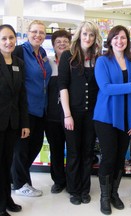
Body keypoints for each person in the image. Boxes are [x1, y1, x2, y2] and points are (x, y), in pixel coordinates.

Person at [93, 25, 131, 215]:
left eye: (123, 38)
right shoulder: (102, 61)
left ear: (127, 41)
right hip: (105, 117)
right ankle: (104, 197)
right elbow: (105, 88)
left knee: (120, 157)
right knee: (108, 157)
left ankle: (114, 193)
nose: (119, 41)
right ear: (110, 40)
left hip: (126, 117)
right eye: (115, 37)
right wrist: (130, 85)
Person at [58, 21, 102, 205]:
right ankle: (74, 190)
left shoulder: (98, 58)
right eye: (85, 34)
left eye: (91, 35)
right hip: (72, 114)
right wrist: (67, 114)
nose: (88, 38)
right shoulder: (68, 56)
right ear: (79, 35)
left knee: (87, 151)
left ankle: (85, 189)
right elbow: (63, 87)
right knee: (74, 152)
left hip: (91, 113)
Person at [11, 20, 52, 197]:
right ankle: (20, 184)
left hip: (41, 109)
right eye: (34, 31)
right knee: (21, 149)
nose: (38, 35)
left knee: (34, 147)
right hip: (25, 110)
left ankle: (17, 179)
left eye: (42, 32)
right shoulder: (20, 51)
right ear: (27, 33)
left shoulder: (42, 53)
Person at [0, 24, 30, 216]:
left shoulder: (19, 62)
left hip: (12, 123)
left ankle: (7, 199)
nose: (8, 42)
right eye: (3, 38)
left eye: (11, 38)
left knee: (7, 162)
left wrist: (25, 123)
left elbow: (21, 95)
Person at [46, 29, 71, 194]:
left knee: (73, 149)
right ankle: (58, 180)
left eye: (65, 41)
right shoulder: (47, 62)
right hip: (52, 115)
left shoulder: (74, 61)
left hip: (70, 115)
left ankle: (71, 179)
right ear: (53, 46)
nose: (62, 44)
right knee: (55, 149)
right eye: (58, 42)